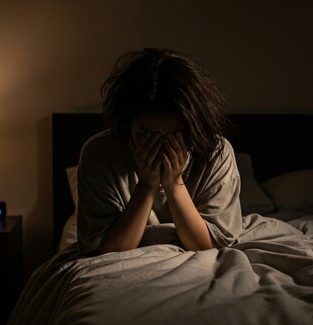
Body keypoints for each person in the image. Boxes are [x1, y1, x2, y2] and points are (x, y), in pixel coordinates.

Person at [76, 48, 242, 255]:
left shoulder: (216, 153)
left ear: (192, 128)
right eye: (146, 133)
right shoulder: (100, 153)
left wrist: (174, 183)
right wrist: (146, 185)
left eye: (174, 134)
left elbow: (208, 247)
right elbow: (109, 251)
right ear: (129, 124)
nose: (160, 143)